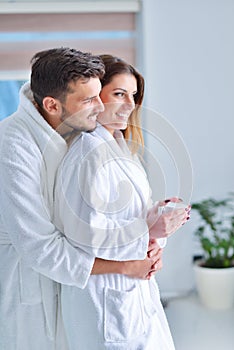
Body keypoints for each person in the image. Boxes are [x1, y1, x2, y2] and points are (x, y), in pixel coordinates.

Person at [0, 48, 165, 350]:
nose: (99, 105)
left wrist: (148, 242)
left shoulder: (72, 125)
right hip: (26, 284)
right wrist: (125, 266)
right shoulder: (13, 146)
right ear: (51, 104)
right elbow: (39, 247)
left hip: (74, 282)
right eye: (89, 100)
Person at [54, 54, 190, 349]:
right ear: (94, 97)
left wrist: (157, 233)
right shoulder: (86, 155)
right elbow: (86, 235)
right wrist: (149, 231)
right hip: (103, 302)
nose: (130, 104)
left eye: (133, 95)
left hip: (131, 294)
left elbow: (134, 218)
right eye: (119, 93)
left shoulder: (121, 149)